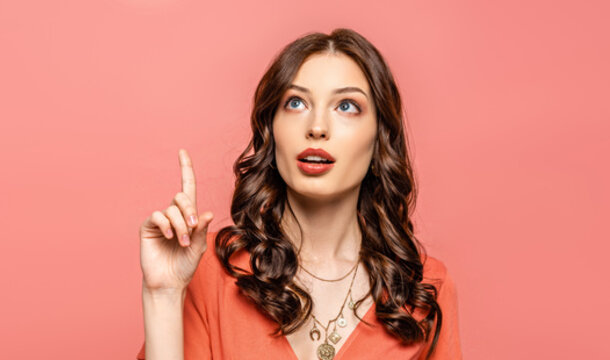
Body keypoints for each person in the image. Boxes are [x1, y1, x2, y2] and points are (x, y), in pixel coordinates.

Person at [136, 28, 461, 360]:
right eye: (296, 103)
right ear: (271, 130)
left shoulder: (424, 288)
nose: (317, 126)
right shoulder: (207, 270)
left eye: (346, 106)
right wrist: (162, 295)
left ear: (380, 139)